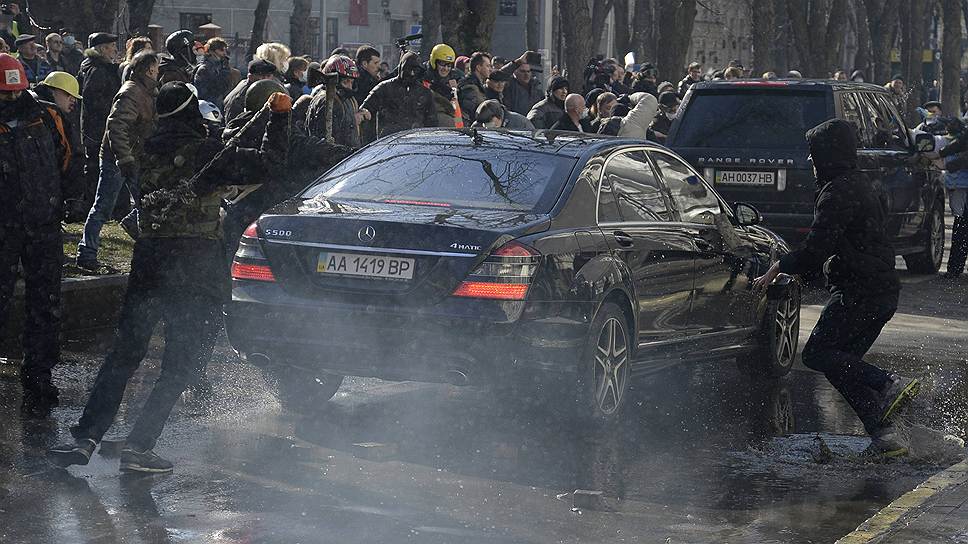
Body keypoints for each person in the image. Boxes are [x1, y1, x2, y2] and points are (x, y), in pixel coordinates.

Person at [47, 82, 291, 473]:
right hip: (195, 266)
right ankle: (140, 446)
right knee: (179, 364)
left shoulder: (145, 150)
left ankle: (86, 436)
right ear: (193, 112)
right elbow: (270, 162)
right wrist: (279, 118)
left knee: (124, 354)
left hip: (150, 261)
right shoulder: (207, 153)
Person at [753, 119, 920, 459]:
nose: (810, 162)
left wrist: (780, 267)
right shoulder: (861, 183)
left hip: (860, 292)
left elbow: (819, 246)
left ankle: (888, 384)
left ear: (827, 155)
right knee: (839, 364)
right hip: (879, 290)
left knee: (816, 354)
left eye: (813, 154)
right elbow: (849, 244)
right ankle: (886, 436)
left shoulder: (837, 191)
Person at [0, 54, 75, 415]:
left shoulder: (47, 117)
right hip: (4, 229)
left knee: (45, 305)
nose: (11, 100)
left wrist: (72, 198)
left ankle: (39, 376)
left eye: (15, 92)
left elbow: (69, 159)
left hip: (43, 224)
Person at [76, 51, 158, 270]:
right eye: (156, 68)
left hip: (133, 156)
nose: (158, 72)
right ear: (150, 69)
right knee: (103, 206)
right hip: (118, 158)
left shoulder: (146, 92)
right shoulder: (132, 92)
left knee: (145, 203)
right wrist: (125, 158)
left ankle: (135, 231)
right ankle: (86, 252)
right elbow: (116, 126)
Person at [78, 32, 121, 210]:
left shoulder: (96, 66)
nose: (115, 50)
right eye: (112, 46)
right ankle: (94, 204)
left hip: (97, 126)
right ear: (103, 49)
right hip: (98, 127)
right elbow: (92, 100)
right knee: (96, 166)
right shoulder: (97, 70)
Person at [33, 71, 85, 219]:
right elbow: (70, 155)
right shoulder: (52, 115)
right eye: (69, 95)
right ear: (54, 91)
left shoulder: (32, 108)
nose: (73, 100)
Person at [359, 51, 436, 138]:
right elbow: (365, 110)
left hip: (416, 143)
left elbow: (432, 124)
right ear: (402, 68)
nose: (412, 73)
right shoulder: (384, 88)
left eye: (415, 70)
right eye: (409, 69)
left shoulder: (425, 93)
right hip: (388, 143)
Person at [305, 55, 365, 148]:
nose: (349, 86)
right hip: (335, 159)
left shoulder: (345, 99)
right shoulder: (327, 101)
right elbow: (326, 141)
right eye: (346, 82)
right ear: (334, 81)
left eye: (351, 82)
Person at [223, 42, 289, 122]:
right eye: (284, 58)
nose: (266, 78)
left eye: (268, 76)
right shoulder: (245, 92)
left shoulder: (275, 83)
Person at [423, 43, 462, 128]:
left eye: (449, 65)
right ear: (434, 62)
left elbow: (456, 111)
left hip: (455, 132)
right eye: (442, 64)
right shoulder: (423, 79)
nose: (446, 68)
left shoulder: (455, 79)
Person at [193, 37, 231, 109]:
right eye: (221, 50)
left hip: (218, 103)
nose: (224, 53)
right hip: (208, 105)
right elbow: (201, 91)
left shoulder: (221, 65)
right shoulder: (204, 68)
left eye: (225, 50)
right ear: (212, 51)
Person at [355, 45, 381, 142]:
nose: (378, 66)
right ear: (365, 63)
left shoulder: (369, 79)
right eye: (375, 63)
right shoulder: (362, 81)